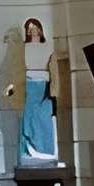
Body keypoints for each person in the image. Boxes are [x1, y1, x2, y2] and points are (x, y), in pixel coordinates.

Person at [18, 17, 59, 163]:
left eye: (35, 28)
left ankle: (44, 150)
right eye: (30, 29)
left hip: (44, 87)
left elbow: (54, 70)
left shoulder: (49, 48)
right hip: (28, 85)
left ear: (40, 30)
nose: (33, 31)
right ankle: (29, 150)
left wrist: (54, 90)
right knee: (28, 118)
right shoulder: (23, 48)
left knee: (43, 118)